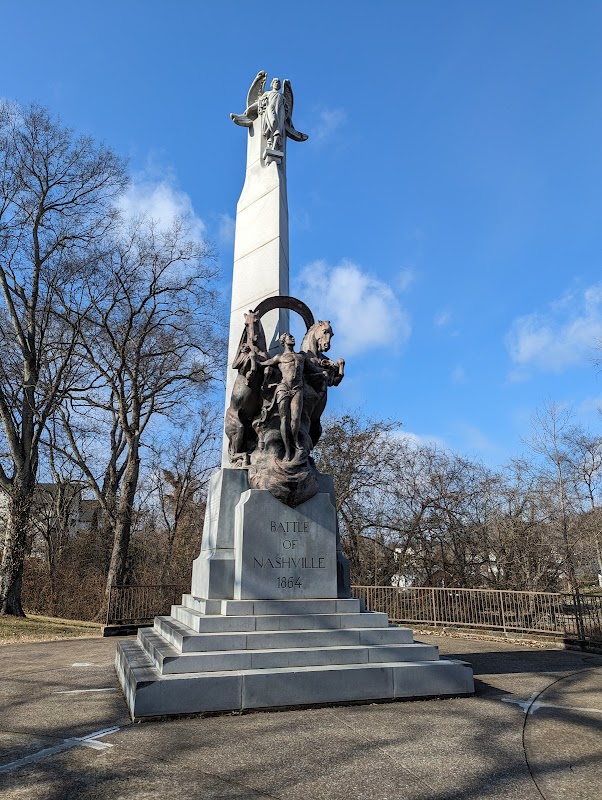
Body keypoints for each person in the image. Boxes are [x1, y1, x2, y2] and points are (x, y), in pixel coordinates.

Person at [259, 333, 328, 461]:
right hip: (283, 388)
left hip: (297, 389)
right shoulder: (279, 357)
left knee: (295, 418)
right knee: (284, 419)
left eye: (292, 337)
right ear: (283, 341)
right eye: (289, 337)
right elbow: (262, 364)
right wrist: (254, 357)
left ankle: (295, 442)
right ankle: (287, 450)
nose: (293, 338)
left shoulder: (301, 357)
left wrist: (323, 372)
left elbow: (313, 369)